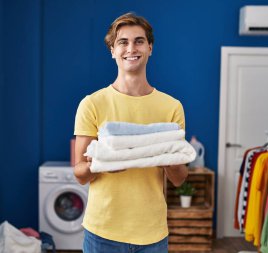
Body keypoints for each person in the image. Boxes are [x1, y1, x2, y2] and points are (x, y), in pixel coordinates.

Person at [74, 12, 188, 253]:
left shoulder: (171, 107)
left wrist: (165, 154)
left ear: (150, 48)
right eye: (122, 42)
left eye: (139, 41)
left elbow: (178, 179)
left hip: (152, 232)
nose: (131, 48)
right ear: (112, 50)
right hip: (103, 231)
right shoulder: (92, 104)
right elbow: (80, 173)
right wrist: (105, 163)